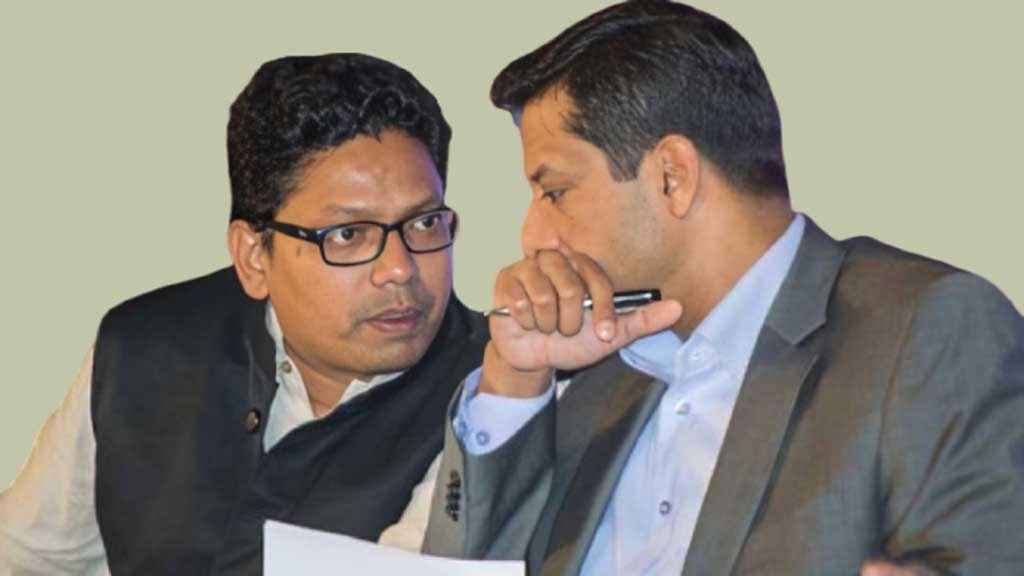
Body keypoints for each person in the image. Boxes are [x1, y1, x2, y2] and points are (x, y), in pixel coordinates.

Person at [420, 2, 1024, 575]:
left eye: (555, 192)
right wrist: (514, 381)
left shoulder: (927, 330)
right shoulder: (597, 368)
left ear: (672, 175)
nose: (532, 237)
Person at [0, 53, 487, 575]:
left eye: (425, 224)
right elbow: (27, 556)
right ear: (254, 257)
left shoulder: (496, 395)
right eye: (348, 235)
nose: (400, 269)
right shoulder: (145, 347)